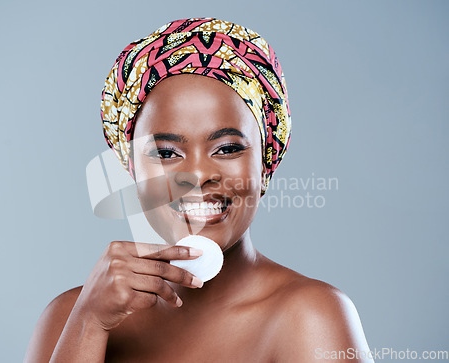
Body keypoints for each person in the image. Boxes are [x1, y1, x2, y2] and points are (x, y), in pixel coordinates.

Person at [25, 18, 373, 362]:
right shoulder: (70, 317)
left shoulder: (311, 318)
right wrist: (89, 324)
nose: (197, 175)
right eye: (165, 153)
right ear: (132, 171)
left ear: (266, 163)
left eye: (227, 148)